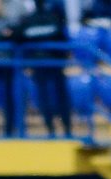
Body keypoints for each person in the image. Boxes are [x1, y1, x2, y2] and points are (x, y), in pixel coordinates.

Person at [13, 0, 72, 138]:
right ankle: (65, 130)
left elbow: (17, 38)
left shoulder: (29, 20)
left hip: (43, 65)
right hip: (51, 65)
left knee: (49, 98)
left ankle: (54, 130)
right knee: (56, 98)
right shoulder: (53, 17)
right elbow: (63, 39)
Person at [0, 0, 16, 137]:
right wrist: (1, 34)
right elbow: (3, 33)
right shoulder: (5, 24)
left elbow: (15, 34)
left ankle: (9, 130)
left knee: (7, 98)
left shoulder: (8, 21)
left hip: (6, 64)